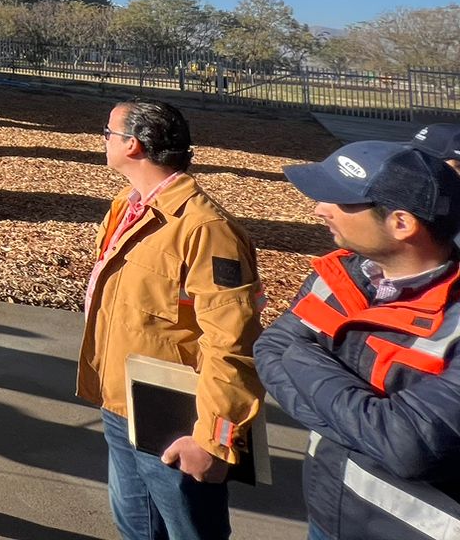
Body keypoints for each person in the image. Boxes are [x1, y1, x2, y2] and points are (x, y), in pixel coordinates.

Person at [255, 141, 460, 540]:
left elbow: (405, 446)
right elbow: (267, 349)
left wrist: (299, 355)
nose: (320, 209)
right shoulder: (342, 276)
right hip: (326, 512)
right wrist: (364, 422)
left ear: (401, 224)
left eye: (342, 200)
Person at [79, 100, 263, 540]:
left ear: (134, 145)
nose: (103, 140)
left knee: (189, 532)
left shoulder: (206, 229)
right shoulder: (128, 206)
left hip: (176, 419)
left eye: (108, 132)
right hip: (122, 403)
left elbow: (233, 341)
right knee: (137, 529)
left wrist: (214, 438)